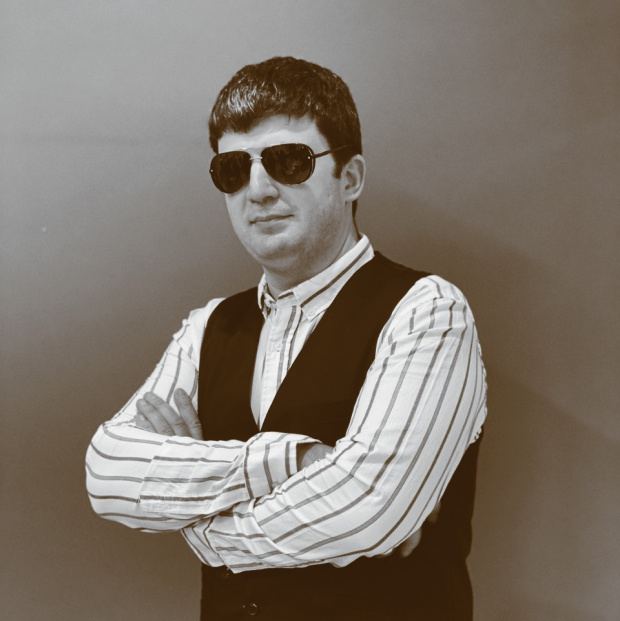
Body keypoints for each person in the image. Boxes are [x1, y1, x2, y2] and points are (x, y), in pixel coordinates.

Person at [86, 56, 487, 620]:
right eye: (232, 169)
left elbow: (369, 510)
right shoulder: (209, 326)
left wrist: (198, 519)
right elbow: (108, 474)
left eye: (289, 161)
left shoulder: (427, 311)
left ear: (351, 178)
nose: (257, 189)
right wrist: (295, 460)